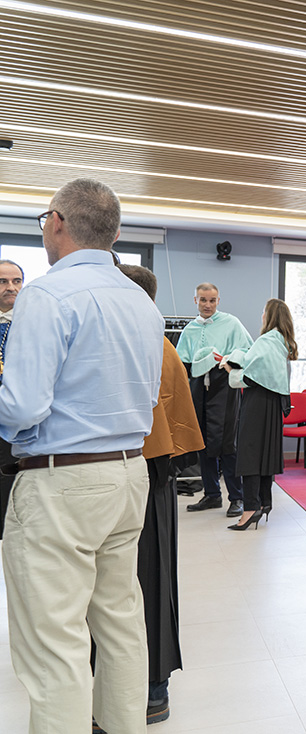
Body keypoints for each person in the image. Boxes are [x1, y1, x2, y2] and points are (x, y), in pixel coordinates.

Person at [0, 178, 164, 734]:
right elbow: (145, 396)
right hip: (128, 473)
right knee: (120, 625)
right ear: (113, 234)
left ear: (58, 223)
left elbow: (23, 406)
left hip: (62, 482)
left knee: (54, 643)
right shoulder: (140, 300)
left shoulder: (47, 295)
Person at [118, 263, 204, 724]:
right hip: (144, 470)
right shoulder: (152, 341)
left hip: (147, 472)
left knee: (146, 579)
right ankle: (143, 684)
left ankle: (153, 687)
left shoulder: (149, 343)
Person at [175, 283, 253, 517]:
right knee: (203, 442)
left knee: (227, 443)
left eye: (212, 300)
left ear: (218, 301)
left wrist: (227, 359)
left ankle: (236, 497)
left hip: (224, 384)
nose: (207, 305)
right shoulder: (189, 329)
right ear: (195, 301)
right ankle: (212, 494)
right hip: (198, 386)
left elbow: (247, 350)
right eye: (203, 300)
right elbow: (182, 362)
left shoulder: (232, 323)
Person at [223, 298, 296, 530]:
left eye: (264, 312)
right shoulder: (282, 342)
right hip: (273, 405)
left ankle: (250, 508)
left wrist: (229, 368)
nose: (261, 316)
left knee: (250, 454)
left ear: (269, 316)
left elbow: (249, 376)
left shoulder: (265, 341)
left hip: (256, 404)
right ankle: (264, 502)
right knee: (265, 455)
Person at [0, 258, 24, 539]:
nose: (11, 287)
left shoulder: (34, 324)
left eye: (16, 281)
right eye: (3, 281)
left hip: (18, 423)